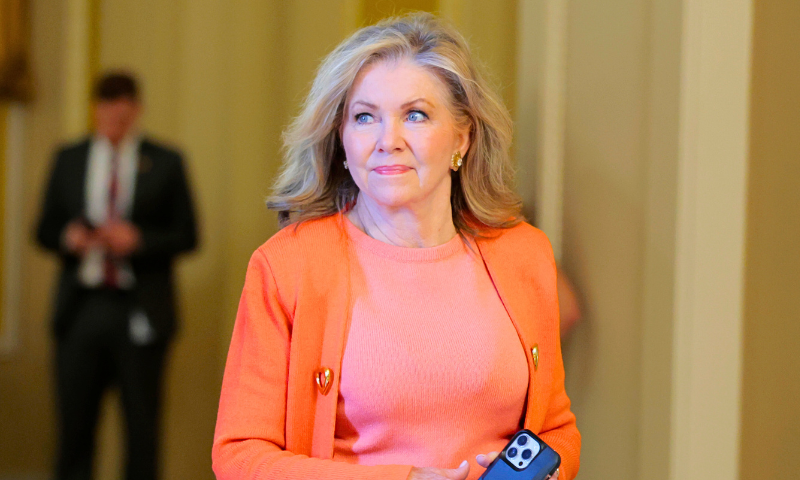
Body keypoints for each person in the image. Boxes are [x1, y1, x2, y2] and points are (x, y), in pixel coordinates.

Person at [212, 13, 580, 480]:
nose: (389, 141)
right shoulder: (286, 266)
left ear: (462, 136)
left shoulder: (524, 253)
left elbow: (558, 430)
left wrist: (548, 470)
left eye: (416, 115)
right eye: (365, 117)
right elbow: (240, 456)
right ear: (342, 140)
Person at [35, 71, 198, 480]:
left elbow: (189, 234)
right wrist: (68, 237)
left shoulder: (165, 161)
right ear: (95, 110)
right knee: (74, 428)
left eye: (123, 110)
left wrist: (138, 240)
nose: (115, 118)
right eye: (107, 109)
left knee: (142, 428)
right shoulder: (69, 159)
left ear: (136, 109)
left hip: (139, 308)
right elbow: (43, 228)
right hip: (81, 307)